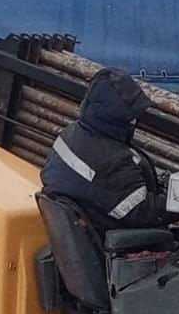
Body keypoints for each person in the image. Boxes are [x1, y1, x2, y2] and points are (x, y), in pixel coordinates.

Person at [40, 68, 167, 231]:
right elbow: (141, 213)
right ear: (116, 117)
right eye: (131, 117)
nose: (134, 121)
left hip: (86, 225)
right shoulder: (111, 160)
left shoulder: (71, 133)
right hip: (113, 235)